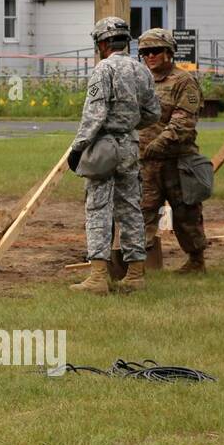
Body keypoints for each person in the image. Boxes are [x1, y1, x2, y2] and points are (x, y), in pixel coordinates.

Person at [68, 17, 160, 294]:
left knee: (98, 208)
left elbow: (94, 116)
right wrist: (129, 126)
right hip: (130, 146)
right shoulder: (142, 71)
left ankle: (97, 277)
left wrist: (78, 147)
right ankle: (135, 275)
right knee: (131, 208)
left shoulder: (103, 69)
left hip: (104, 147)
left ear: (103, 43)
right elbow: (153, 113)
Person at [137, 27, 209, 273]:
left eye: (155, 51)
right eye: (144, 52)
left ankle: (196, 261)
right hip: (147, 163)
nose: (150, 56)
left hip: (177, 161)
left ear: (169, 53)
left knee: (186, 213)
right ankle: (136, 266)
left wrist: (157, 143)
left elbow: (184, 122)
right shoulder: (141, 81)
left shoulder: (183, 81)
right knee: (142, 211)